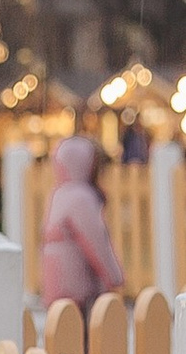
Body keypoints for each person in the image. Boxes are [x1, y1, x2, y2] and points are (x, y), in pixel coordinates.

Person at [38, 131, 126, 313]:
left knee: (62, 334)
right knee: (83, 336)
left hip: (56, 284)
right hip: (77, 286)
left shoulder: (58, 194)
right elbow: (95, 241)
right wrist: (114, 276)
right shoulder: (81, 198)